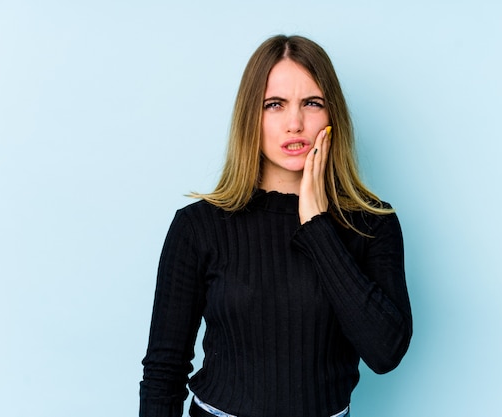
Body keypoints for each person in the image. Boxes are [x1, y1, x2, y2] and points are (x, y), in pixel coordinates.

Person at [140, 34, 413, 417]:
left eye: (312, 103)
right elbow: (163, 371)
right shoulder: (198, 227)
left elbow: (386, 353)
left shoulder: (372, 224)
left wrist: (317, 226)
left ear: (332, 115)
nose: (295, 123)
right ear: (251, 116)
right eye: (275, 105)